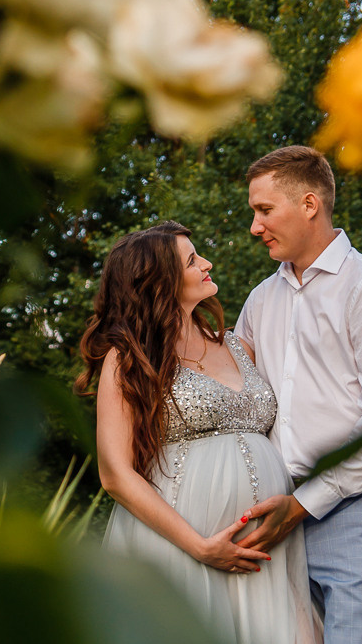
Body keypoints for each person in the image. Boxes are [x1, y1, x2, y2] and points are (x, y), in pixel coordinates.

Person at [77, 221, 318, 644]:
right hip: (182, 544)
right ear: (159, 282)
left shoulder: (237, 344)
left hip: (267, 549)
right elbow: (115, 474)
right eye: (192, 261)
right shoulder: (129, 357)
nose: (206, 264)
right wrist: (200, 546)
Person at [235, 145, 362, 644]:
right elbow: (236, 399)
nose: (254, 226)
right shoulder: (259, 300)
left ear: (310, 204)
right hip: (281, 517)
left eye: (264, 210)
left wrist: (303, 504)